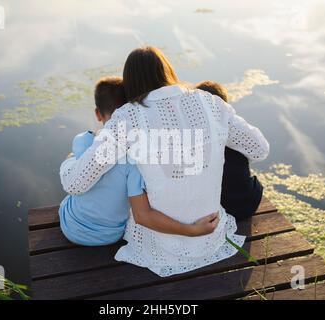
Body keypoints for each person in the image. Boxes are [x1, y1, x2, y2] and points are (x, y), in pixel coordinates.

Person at [62, 46, 269, 277]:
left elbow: (75, 184)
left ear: (130, 83)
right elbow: (259, 149)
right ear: (167, 71)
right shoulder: (211, 102)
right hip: (212, 237)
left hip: (161, 249)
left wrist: (69, 162)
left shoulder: (128, 117)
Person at [59, 76, 219, 246]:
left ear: (98, 114)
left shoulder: (84, 139)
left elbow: (74, 167)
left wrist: (70, 160)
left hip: (69, 226)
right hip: (109, 236)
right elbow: (142, 215)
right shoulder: (135, 159)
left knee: (72, 174)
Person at [195, 80, 263, 221]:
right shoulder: (236, 131)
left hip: (214, 210)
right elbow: (261, 151)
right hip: (246, 206)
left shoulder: (192, 134)